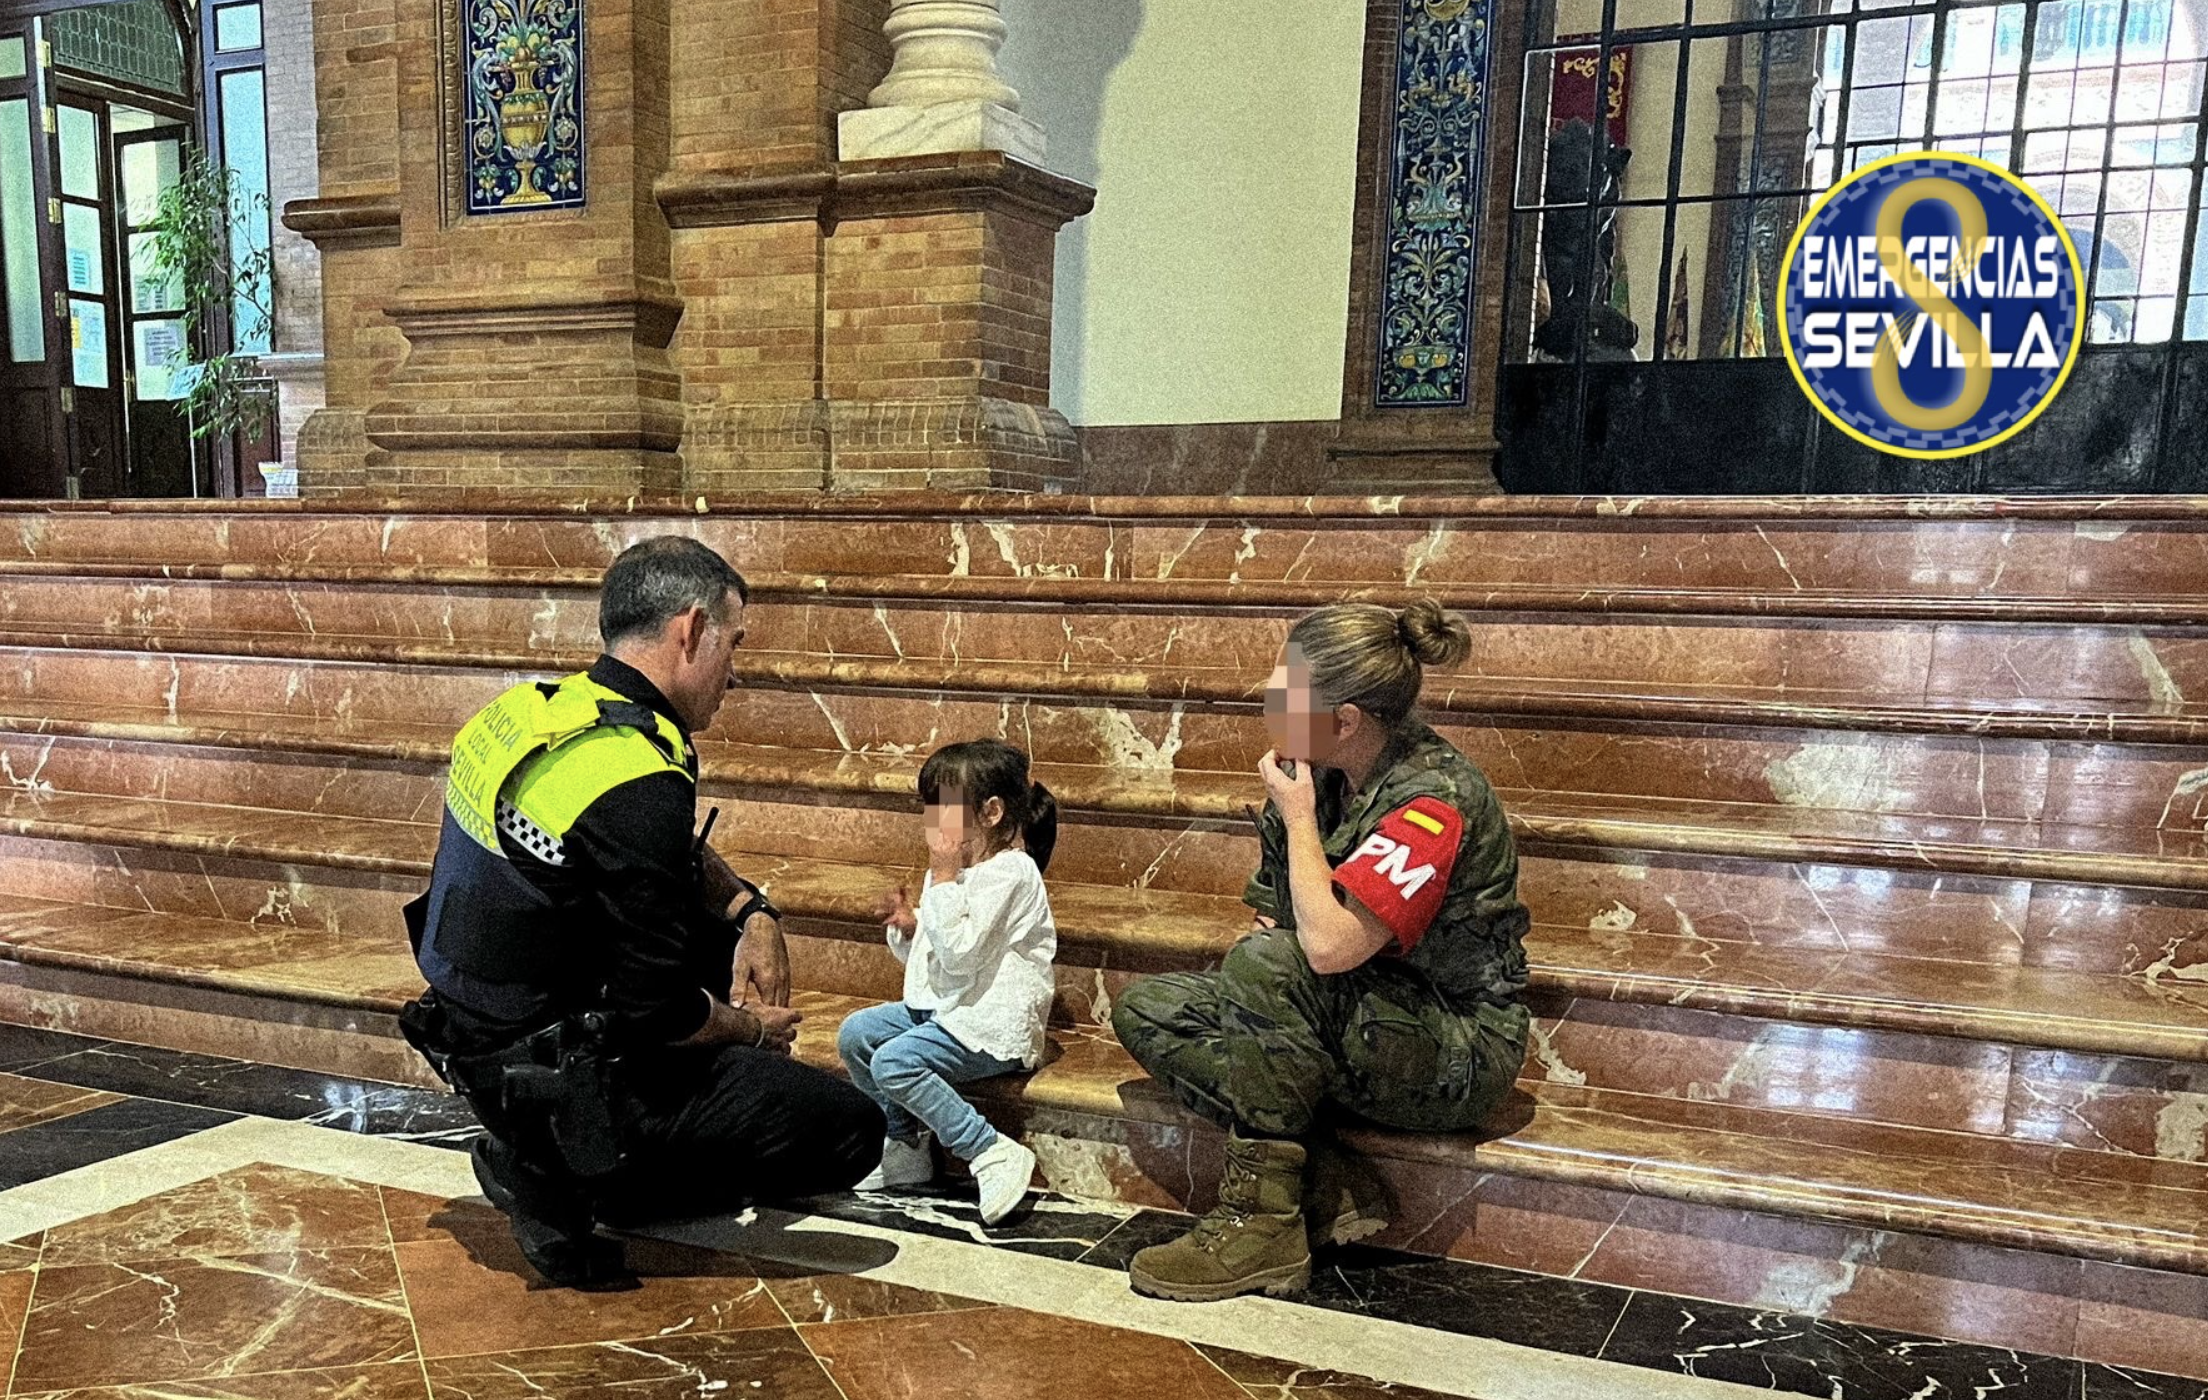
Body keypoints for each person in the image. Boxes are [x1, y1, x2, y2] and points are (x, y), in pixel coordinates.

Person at [400, 536, 883, 1289]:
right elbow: (656, 1009)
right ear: (691, 630)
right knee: (850, 1130)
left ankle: (552, 1149)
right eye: (734, 643)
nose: (736, 671)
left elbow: (642, 854)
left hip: (479, 1038)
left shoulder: (539, 714)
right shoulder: (638, 777)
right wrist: (753, 1031)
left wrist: (751, 912)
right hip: (562, 1071)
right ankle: (569, 1179)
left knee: (703, 934)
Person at [1110, 600, 1532, 1303]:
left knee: (1266, 969)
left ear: (1346, 721)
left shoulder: (1433, 801)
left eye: (1286, 695)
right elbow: (1276, 921)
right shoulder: (1320, 771)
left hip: (1456, 1043)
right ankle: (1327, 1179)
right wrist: (1296, 826)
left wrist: (1299, 817)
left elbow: (1330, 948)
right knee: (1150, 1009)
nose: (1268, 704)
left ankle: (1262, 1225)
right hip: (1359, 1013)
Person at [840, 739, 1058, 1225]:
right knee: (857, 1035)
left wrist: (941, 880)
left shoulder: (1013, 873)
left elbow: (961, 955)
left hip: (991, 1022)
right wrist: (910, 928)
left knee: (895, 1061)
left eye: (943, 806)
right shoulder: (952, 871)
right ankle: (905, 1144)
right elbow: (937, 953)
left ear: (991, 812)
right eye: (929, 806)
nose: (931, 819)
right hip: (945, 1007)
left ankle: (988, 1149)